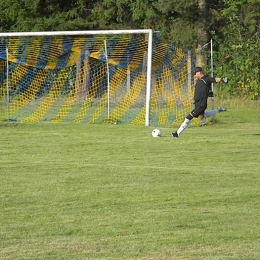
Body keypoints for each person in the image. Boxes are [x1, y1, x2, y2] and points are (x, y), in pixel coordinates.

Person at [172, 66, 228, 138]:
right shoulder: (199, 81)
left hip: (201, 105)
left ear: (199, 72)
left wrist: (222, 79)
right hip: (197, 104)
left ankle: (177, 134)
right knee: (201, 117)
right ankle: (218, 110)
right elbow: (204, 89)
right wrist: (209, 92)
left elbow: (214, 79)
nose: (195, 75)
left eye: (195, 73)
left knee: (188, 118)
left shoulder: (206, 78)